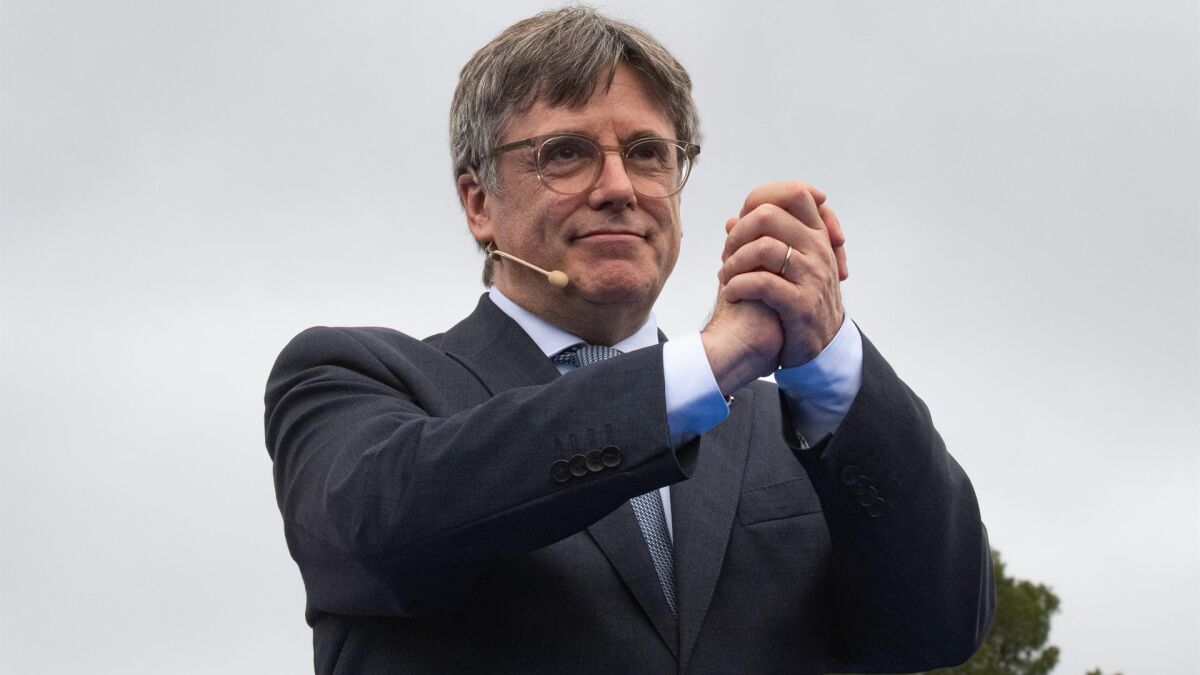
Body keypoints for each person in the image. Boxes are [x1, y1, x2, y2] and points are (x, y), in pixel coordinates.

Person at [264, 7, 994, 674]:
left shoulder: (801, 430)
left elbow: (938, 627)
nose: (620, 187)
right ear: (479, 202)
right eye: (566, 153)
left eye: (648, 153)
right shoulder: (353, 378)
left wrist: (827, 356)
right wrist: (711, 362)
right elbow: (380, 532)